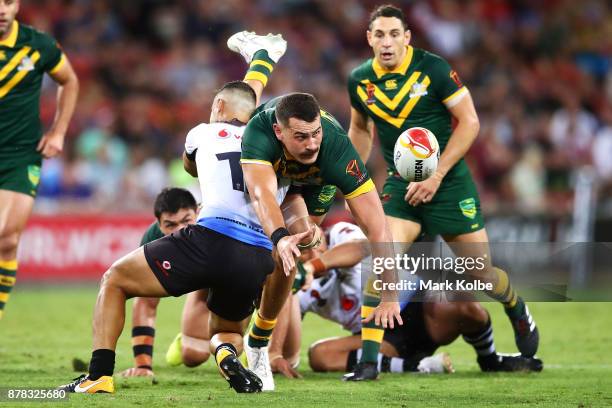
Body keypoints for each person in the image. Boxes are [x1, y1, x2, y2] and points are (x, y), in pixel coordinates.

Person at [58, 32, 309, 394]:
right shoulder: (279, 149)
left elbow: (191, 168)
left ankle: (99, 374)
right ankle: (225, 356)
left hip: (211, 238)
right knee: (226, 330)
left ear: (220, 108)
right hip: (257, 254)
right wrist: (262, 64)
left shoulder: (203, 132)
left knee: (114, 280)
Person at [346, 4, 539, 379]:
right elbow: (359, 129)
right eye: (379, 35)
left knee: (480, 274)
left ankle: (515, 307)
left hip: (448, 184)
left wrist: (436, 176)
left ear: (407, 37)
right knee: (383, 259)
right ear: (369, 38)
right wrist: (352, 178)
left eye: (394, 34)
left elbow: (470, 122)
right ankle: (368, 362)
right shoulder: (359, 80)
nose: (387, 42)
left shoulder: (433, 69)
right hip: (402, 188)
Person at [240, 92, 403, 388]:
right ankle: (261, 342)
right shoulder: (259, 132)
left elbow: (378, 229)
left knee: (301, 247)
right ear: (279, 131)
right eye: (301, 137)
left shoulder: (336, 149)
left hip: (315, 181)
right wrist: (278, 238)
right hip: (273, 176)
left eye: (316, 134)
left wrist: (390, 295)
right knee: (275, 244)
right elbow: (262, 196)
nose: (312, 143)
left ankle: (263, 343)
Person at [281, 222, 543, 375]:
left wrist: (314, 266)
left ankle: (490, 359)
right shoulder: (301, 287)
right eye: (299, 241)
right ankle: (418, 365)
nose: (308, 244)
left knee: (463, 304)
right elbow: (289, 338)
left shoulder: (338, 234)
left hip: (416, 305)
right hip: (381, 335)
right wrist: (287, 299)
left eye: (309, 235)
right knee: (319, 355)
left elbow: (362, 248)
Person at [0, 0, 78, 320]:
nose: (1, 9)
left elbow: (69, 81)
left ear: (17, 5)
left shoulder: (37, 45)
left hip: (20, 154)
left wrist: (58, 131)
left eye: (7, 1)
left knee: (6, 237)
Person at [118, 187, 209, 378]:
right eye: (170, 225)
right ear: (158, 224)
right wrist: (143, 365)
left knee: (287, 353)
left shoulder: (215, 226)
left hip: (224, 282)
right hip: (202, 283)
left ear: (198, 212)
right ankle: (190, 336)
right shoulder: (152, 241)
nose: (179, 231)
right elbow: (146, 302)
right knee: (193, 356)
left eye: (186, 221)